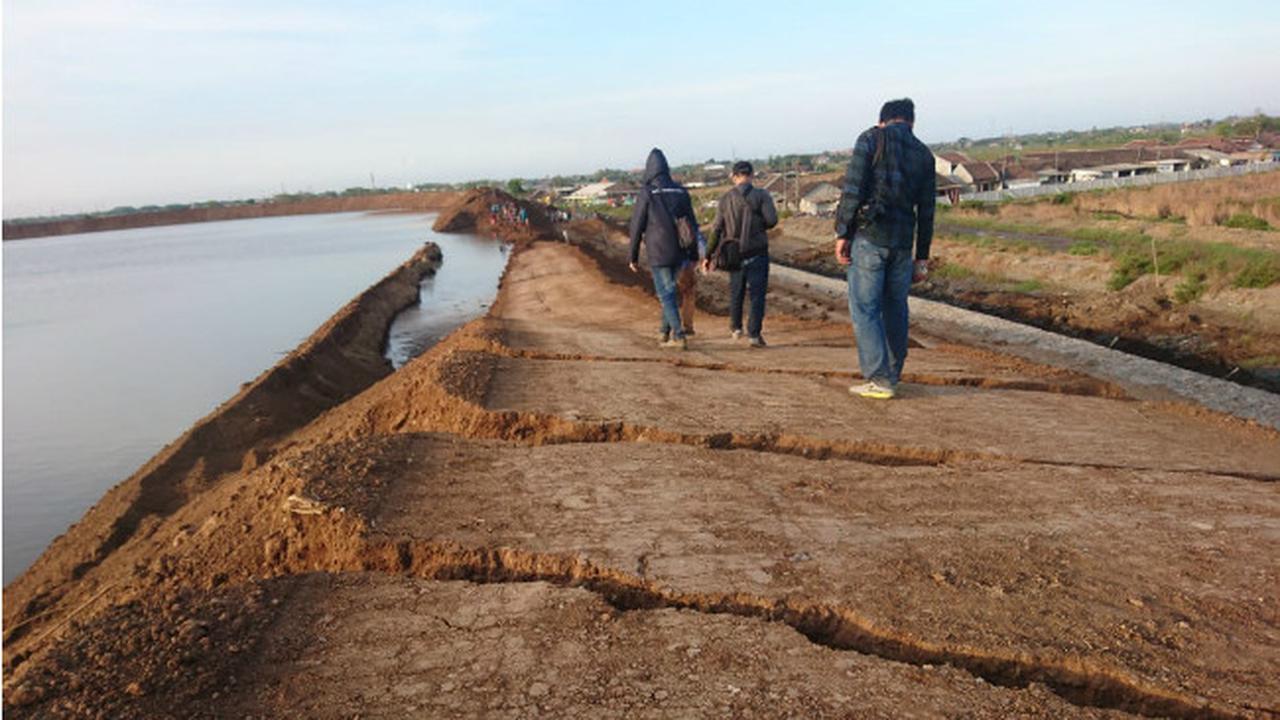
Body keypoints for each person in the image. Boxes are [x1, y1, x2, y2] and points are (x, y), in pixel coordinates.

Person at [833, 98, 936, 399]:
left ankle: (878, 379)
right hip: (904, 244)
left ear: (883, 120)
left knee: (865, 309)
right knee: (896, 307)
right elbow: (928, 211)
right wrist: (923, 257)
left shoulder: (870, 139)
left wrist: (843, 233)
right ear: (911, 122)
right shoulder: (924, 154)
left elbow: (852, 190)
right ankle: (893, 373)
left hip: (870, 239)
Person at [628, 148, 701, 350]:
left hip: (658, 250)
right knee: (669, 289)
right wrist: (694, 254)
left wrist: (632, 256)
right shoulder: (680, 191)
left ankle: (678, 336)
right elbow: (692, 225)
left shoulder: (647, 193)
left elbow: (637, 226)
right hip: (680, 250)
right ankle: (663, 331)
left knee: (665, 293)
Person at [703, 161, 778, 348]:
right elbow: (772, 220)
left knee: (736, 292)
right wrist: (758, 225)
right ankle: (754, 334)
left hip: (733, 254)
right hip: (758, 253)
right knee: (757, 295)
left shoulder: (725, 199)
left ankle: (735, 328)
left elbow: (716, 229)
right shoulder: (762, 196)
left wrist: (708, 255)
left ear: (734, 176)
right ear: (752, 175)